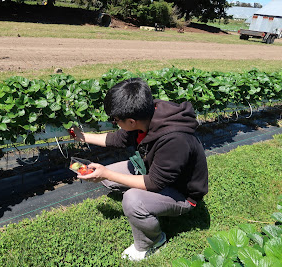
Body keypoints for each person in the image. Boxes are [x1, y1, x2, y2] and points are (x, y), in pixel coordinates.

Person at [70, 77, 208, 261]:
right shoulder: (148, 112)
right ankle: (146, 208)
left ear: (132, 121)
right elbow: (116, 139)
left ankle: (153, 241)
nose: (114, 122)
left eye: (115, 120)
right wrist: (82, 137)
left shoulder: (175, 140)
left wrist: (107, 172)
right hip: (158, 174)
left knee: (132, 199)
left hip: (182, 194)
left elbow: (154, 183)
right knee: (109, 178)